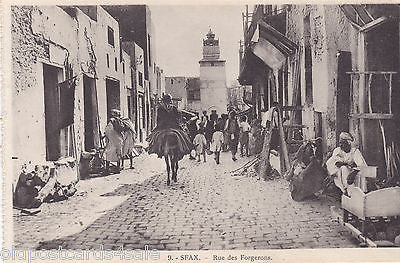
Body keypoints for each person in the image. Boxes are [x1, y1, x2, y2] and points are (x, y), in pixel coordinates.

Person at [146, 94, 192, 160]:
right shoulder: (174, 108)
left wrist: (158, 126)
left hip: (163, 127)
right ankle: (188, 148)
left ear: (163, 101)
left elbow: (158, 119)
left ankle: (156, 150)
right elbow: (177, 119)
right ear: (170, 100)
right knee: (184, 137)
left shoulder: (160, 108)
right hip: (174, 126)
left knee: (154, 137)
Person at [104, 109, 125, 174]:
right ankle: (118, 169)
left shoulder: (112, 121)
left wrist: (106, 136)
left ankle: (107, 170)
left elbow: (108, 130)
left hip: (113, 140)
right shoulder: (119, 121)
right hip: (119, 139)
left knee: (108, 154)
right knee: (118, 154)